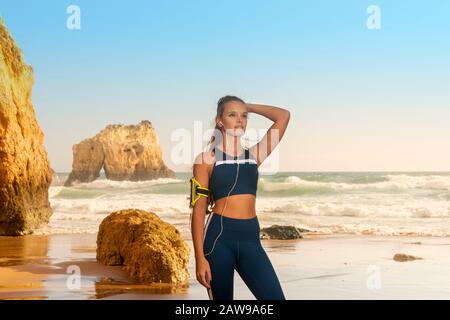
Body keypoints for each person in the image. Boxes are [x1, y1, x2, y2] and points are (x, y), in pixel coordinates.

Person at [190, 95, 290, 300]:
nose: (240, 120)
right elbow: (198, 210)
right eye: (232, 114)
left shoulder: (255, 155)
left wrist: (249, 107)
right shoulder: (205, 160)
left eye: (244, 116)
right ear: (220, 120)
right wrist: (199, 258)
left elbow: (283, 116)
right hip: (219, 239)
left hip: (250, 239)